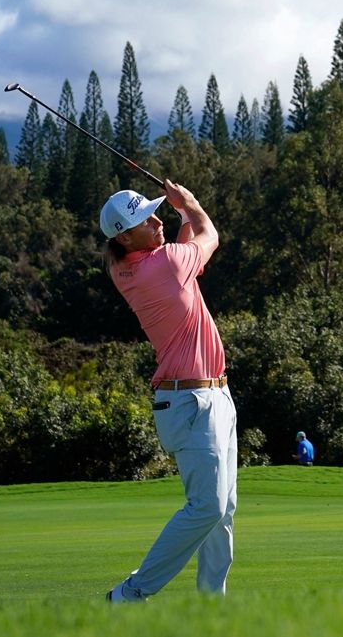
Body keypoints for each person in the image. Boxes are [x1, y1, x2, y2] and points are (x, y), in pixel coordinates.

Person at [100, 179, 237, 602]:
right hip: (193, 401)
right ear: (125, 236)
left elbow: (182, 253)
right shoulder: (165, 266)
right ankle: (131, 593)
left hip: (205, 396)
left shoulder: (131, 267)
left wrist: (177, 216)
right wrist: (190, 205)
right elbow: (209, 235)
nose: (156, 221)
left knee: (222, 511)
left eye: (156, 213)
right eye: (145, 219)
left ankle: (211, 609)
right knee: (208, 508)